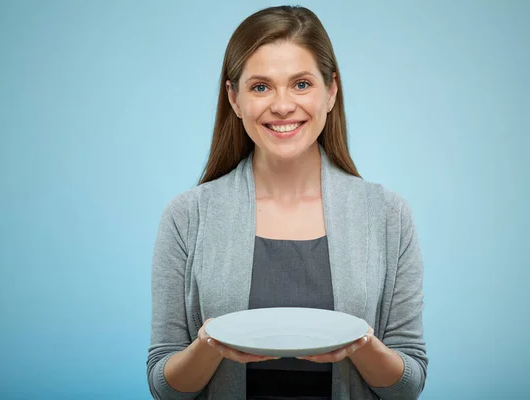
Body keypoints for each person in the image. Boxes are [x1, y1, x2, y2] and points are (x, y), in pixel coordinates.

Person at [147, 5, 427, 400]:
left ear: (331, 92)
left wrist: (362, 343)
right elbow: (164, 386)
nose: (281, 105)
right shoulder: (187, 216)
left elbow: (408, 383)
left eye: (301, 84)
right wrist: (208, 344)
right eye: (260, 87)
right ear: (235, 98)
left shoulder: (387, 215)